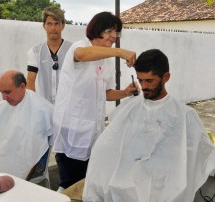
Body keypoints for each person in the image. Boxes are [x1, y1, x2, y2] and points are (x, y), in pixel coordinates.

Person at [83, 49, 215, 202]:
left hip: (165, 182)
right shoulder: (131, 108)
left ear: (165, 77)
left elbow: (204, 152)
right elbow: (109, 144)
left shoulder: (185, 114)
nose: (143, 86)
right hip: (130, 178)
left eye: (149, 81)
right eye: (140, 80)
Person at [51, 11, 139, 192]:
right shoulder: (80, 47)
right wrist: (120, 52)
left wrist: (125, 92)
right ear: (96, 29)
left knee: (88, 183)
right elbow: (83, 55)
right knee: (70, 185)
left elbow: (105, 93)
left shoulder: (105, 60)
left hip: (93, 130)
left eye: (117, 33)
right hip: (72, 130)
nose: (114, 36)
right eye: (109, 31)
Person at [26, 6, 72, 104]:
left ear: (63, 25)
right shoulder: (35, 51)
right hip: (45, 106)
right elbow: (30, 82)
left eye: (57, 24)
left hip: (68, 108)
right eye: (49, 24)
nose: (53, 28)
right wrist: (32, 105)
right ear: (44, 26)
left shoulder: (72, 49)